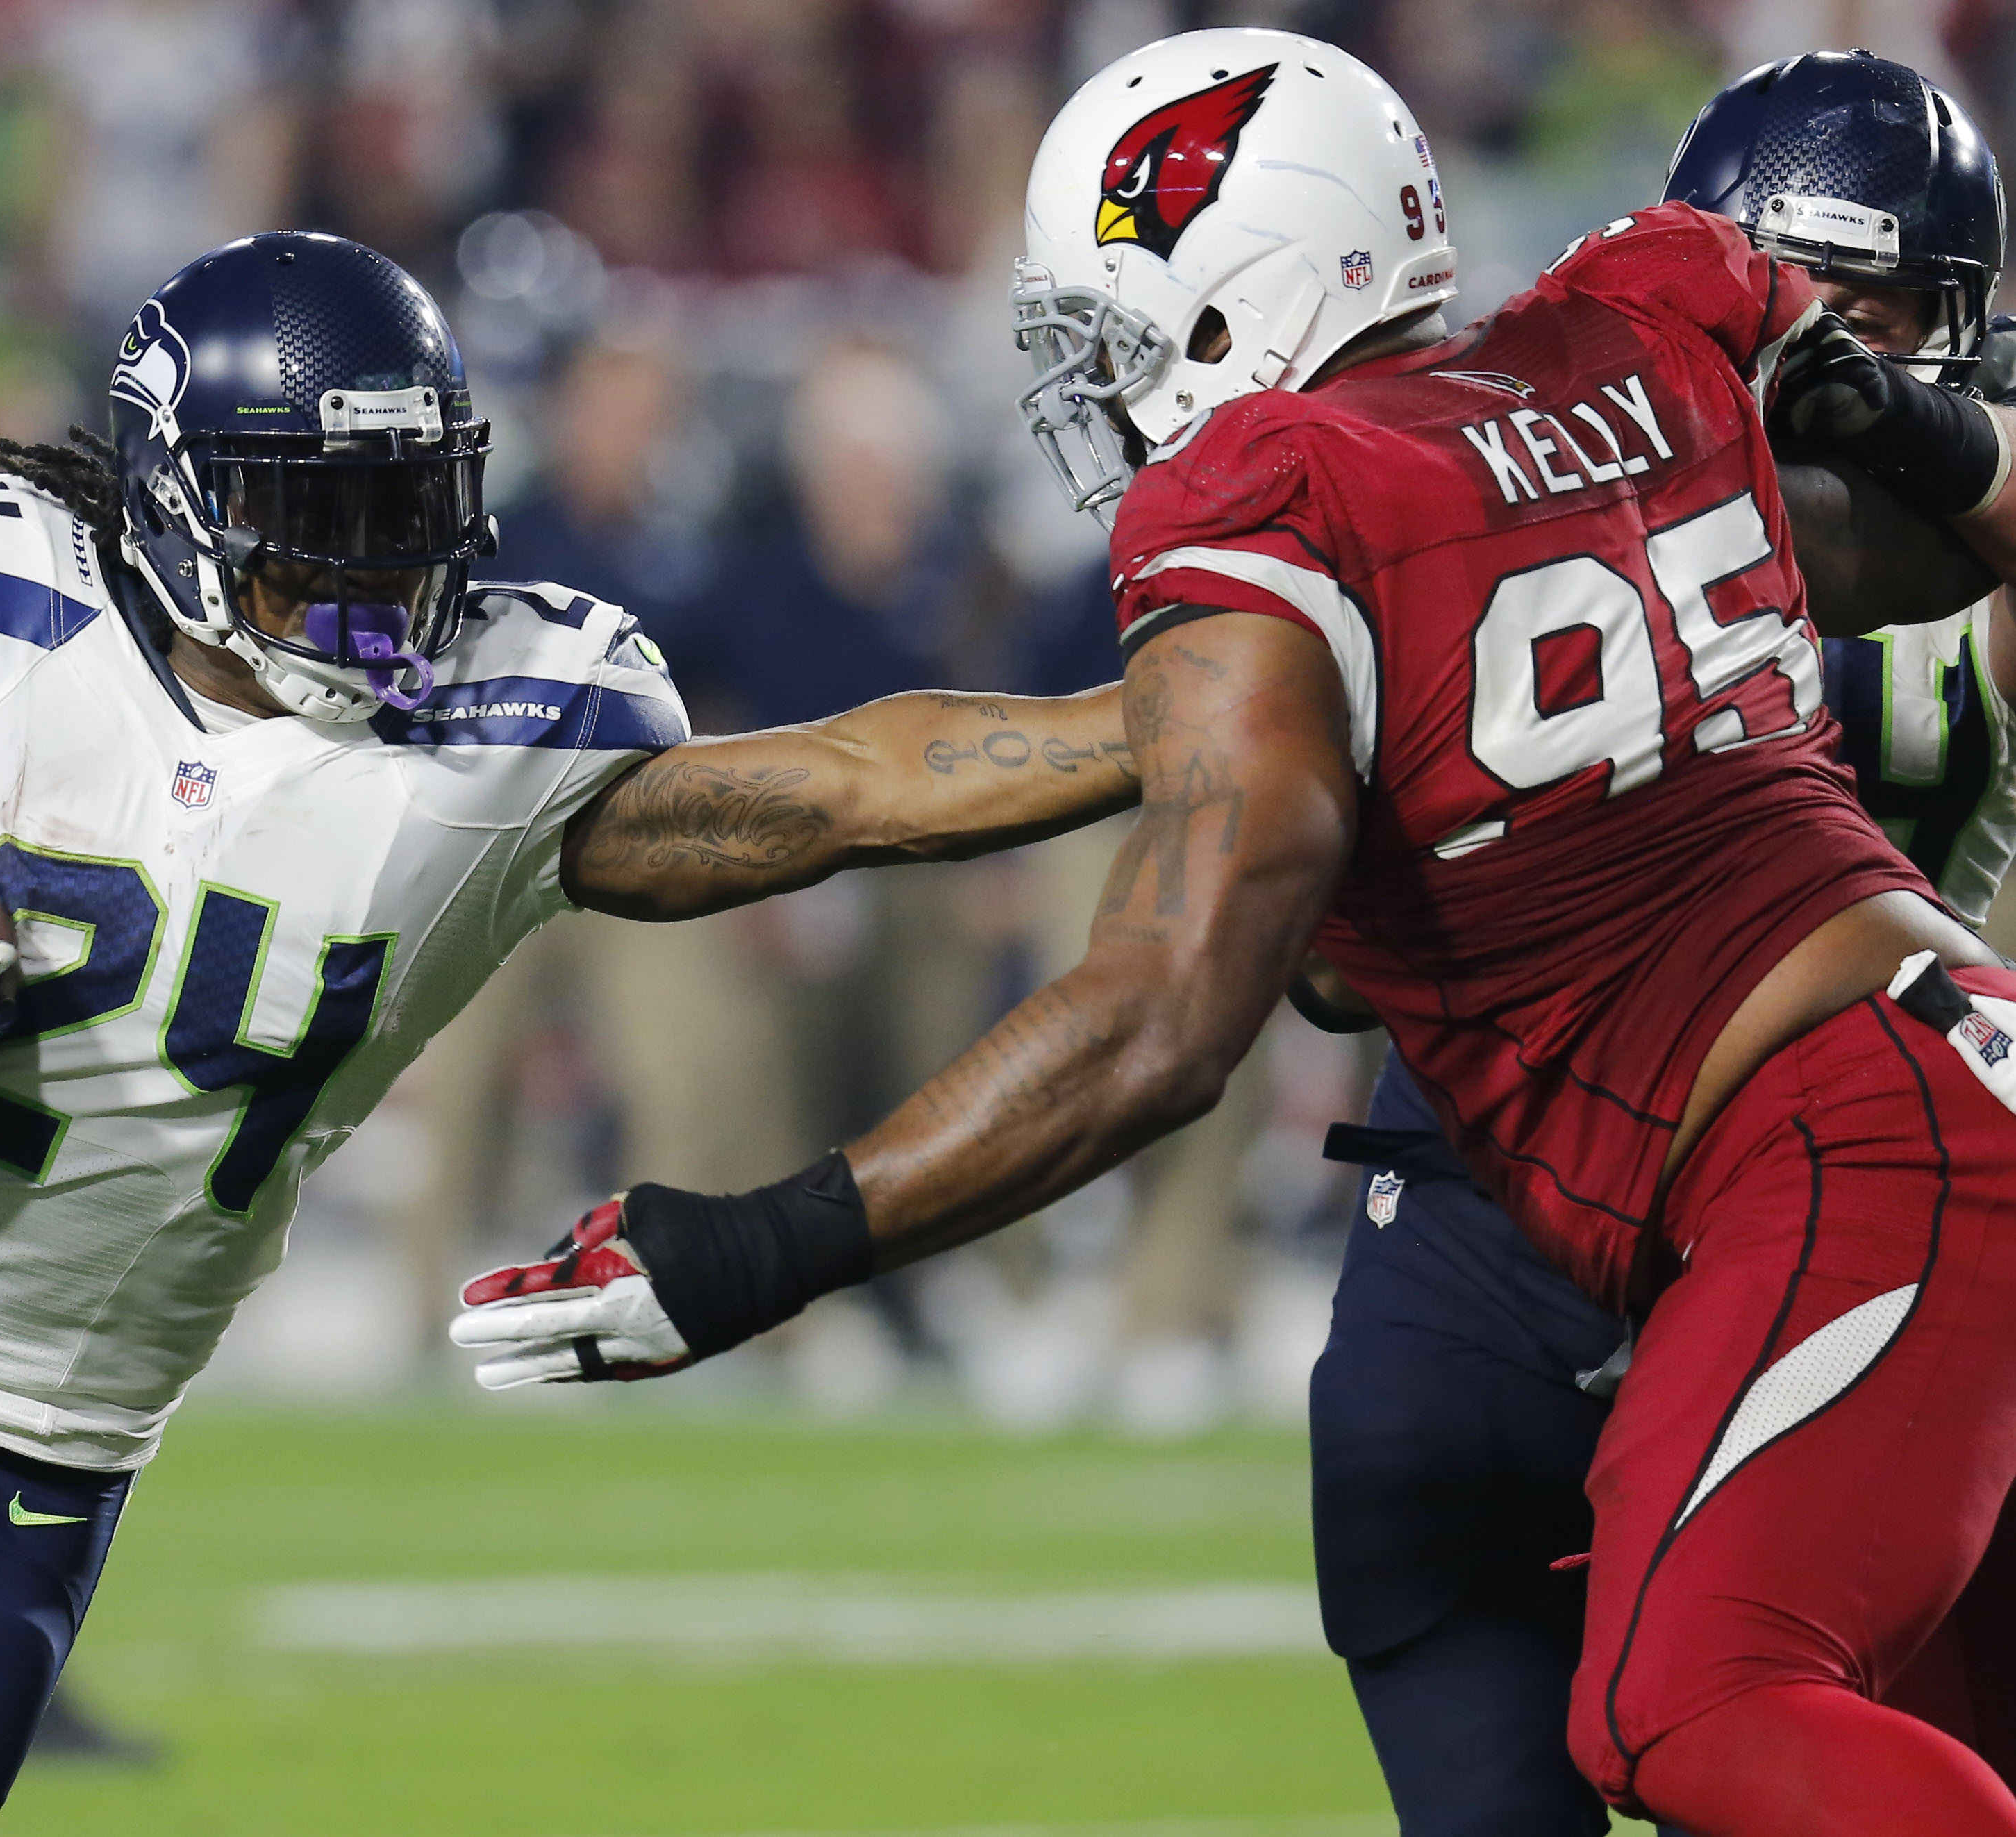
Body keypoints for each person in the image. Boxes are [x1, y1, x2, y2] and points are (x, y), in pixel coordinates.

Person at [451, 30, 2016, 1836]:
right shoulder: (1639, 312)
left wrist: (759, 1246)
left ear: (1238, 289)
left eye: (1116, 330)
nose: (1101, 391)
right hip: (1836, 1098)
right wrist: (1872, 413)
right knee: (1582, 1654)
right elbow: (985, 776)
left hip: (1823, 1127)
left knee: (1693, 1706)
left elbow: (1164, 1017)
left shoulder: (1282, 492)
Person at [0, 231, 1139, 1837]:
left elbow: (856, 786)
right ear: (176, 494)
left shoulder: (508, 739)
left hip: (42, 1449)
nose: (381, 562)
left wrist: (1186, 714)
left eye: (412, 500)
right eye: (319, 510)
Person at [1302, 51, 2016, 1837]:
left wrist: (1903, 428)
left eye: (1883, 310)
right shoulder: (1521, 476)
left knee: (1778, 1744)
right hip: (1497, 1205)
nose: (1830, 338)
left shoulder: (1973, 543)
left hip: (1850, 1186)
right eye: (1795, 291)